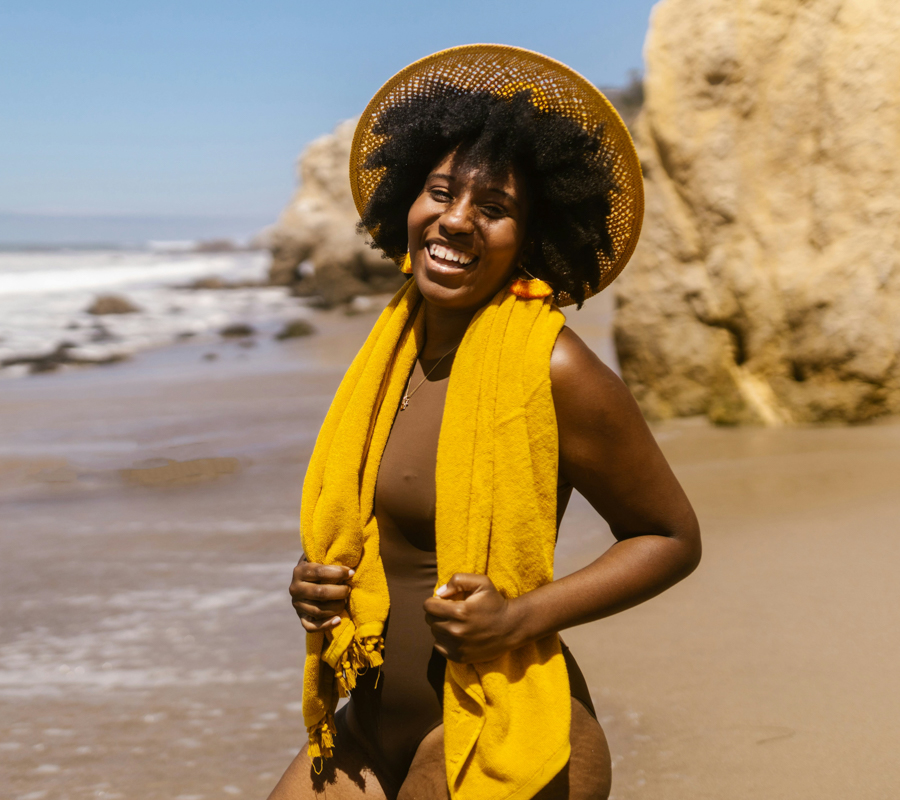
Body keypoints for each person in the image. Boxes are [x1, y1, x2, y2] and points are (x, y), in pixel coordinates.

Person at [269, 45, 701, 800]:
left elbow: (669, 538)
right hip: (366, 727)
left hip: (503, 720)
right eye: (440, 192)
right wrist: (313, 586)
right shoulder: (385, 353)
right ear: (408, 197)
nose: (457, 220)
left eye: (494, 209)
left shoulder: (554, 369)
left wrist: (521, 617)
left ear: (529, 238)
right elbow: (378, 538)